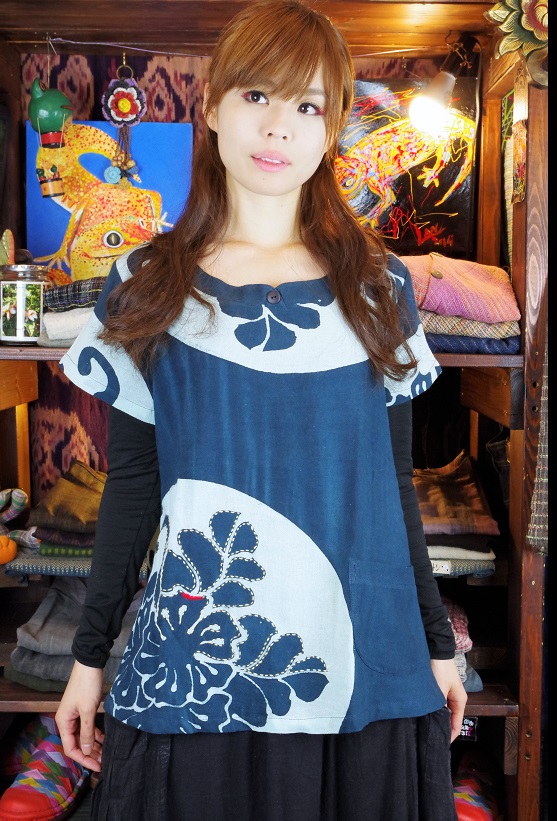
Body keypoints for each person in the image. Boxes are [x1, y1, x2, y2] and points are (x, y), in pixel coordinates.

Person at [55, 1, 467, 818]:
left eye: (307, 106)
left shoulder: (377, 288)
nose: (279, 126)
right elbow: (133, 487)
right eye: (256, 96)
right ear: (212, 106)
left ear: (330, 129)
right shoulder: (145, 284)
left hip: (360, 661)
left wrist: (434, 643)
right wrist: (88, 654)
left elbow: (392, 485)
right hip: (197, 665)